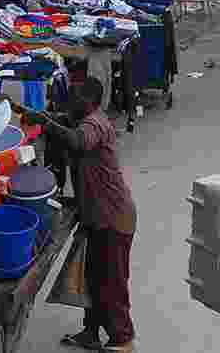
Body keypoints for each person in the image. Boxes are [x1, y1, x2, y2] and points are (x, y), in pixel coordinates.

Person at [24, 77, 137, 353]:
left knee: (111, 280)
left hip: (113, 216)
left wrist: (46, 123)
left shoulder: (94, 124)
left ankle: (123, 339)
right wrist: (32, 114)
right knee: (94, 280)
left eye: (74, 97)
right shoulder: (83, 119)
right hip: (97, 214)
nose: (68, 101)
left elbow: (77, 141)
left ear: (87, 101)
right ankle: (91, 333)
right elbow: (65, 126)